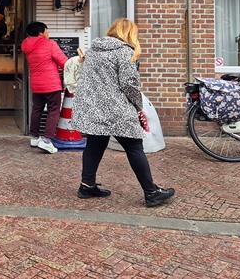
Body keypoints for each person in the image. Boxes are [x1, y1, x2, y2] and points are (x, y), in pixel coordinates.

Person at [71, 18, 175, 207]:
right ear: (130, 34)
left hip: (92, 108)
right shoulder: (125, 52)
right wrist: (138, 105)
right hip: (116, 109)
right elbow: (129, 84)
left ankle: (87, 185)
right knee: (135, 147)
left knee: (94, 145)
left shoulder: (93, 50)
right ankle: (151, 192)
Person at [21, 22, 68, 154]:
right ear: (41, 32)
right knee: (54, 110)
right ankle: (47, 140)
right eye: (47, 31)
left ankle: (35, 137)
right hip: (51, 83)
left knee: (37, 109)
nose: (48, 33)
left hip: (36, 84)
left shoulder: (27, 45)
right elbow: (63, 61)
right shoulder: (49, 44)